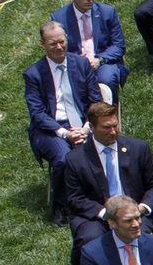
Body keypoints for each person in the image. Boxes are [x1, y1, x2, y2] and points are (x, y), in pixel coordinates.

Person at [61, 102, 153, 265]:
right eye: (106, 127)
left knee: (142, 237)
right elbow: (74, 198)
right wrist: (105, 213)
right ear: (92, 127)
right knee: (87, 242)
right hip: (97, 216)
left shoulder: (138, 148)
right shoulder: (75, 159)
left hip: (135, 213)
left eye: (115, 125)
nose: (113, 131)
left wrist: (142, 209)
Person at [24, 21, 99, 223]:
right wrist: (65, 134)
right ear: (42, 44)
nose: (58, 47)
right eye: (52, 44)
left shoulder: (82, 64)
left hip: (83, 124)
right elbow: (37, 113)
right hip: (51, 129)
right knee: (63, 159)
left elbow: (95, 99)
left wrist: (86, 128)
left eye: (61, 41)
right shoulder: (33, 74)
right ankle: (60, 204)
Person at [51, 0, 128, 97]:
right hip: (75, 67)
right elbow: (58, 51)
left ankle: (109, 113)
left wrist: (100, 60)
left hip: (103, 63)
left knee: (107, 80)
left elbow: (119, 46)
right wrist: (77, 62)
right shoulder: (59, 18)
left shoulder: (107, 13)